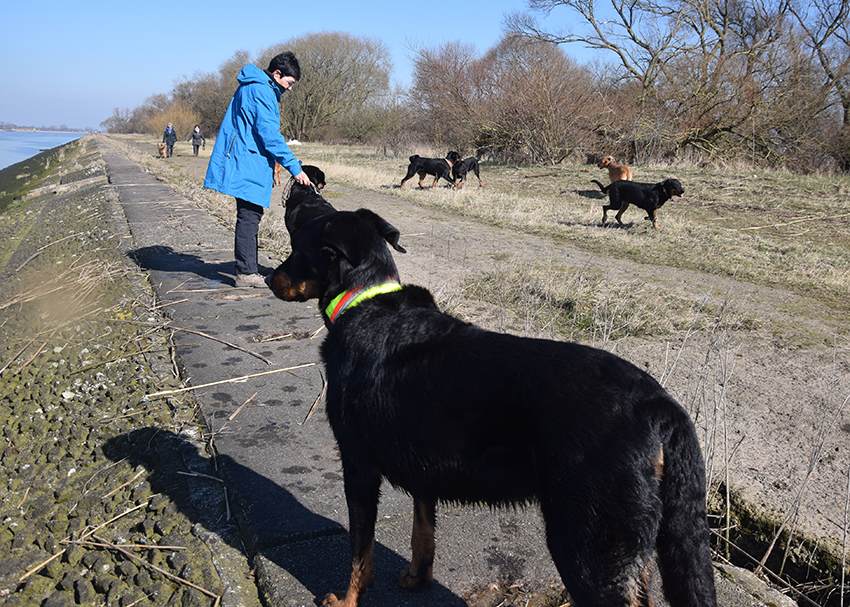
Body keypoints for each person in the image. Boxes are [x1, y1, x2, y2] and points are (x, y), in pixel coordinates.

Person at [204, 51, 310, 288]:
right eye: (289, 83)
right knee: (249, 217)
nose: (290, 88)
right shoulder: (261, 91)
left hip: (249, 160)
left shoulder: (259, 87)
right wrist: (295, 168)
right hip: (247, 162)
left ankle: (249, 265)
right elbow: (270, 135)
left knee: (251, 215)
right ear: (277, 74)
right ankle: (245, 272)